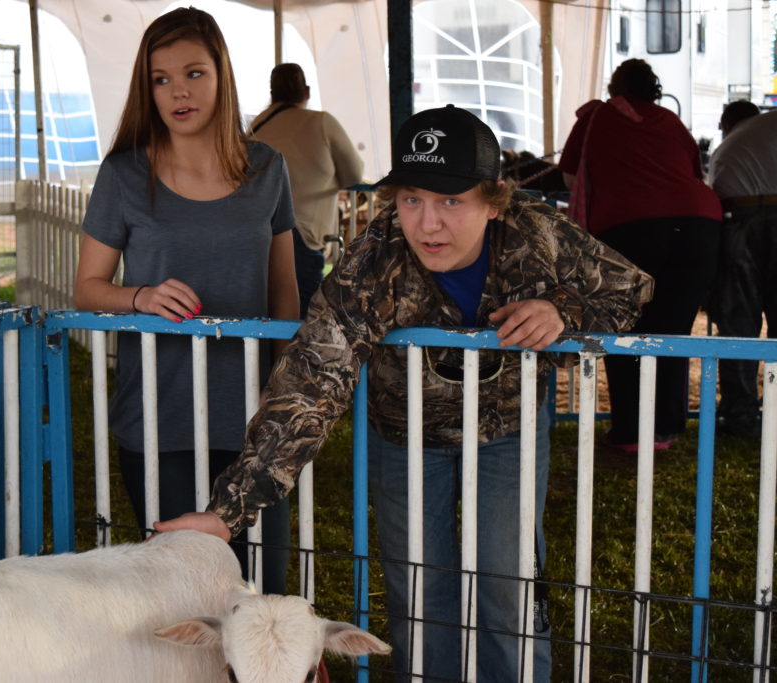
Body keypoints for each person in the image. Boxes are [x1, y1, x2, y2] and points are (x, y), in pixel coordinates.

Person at [156, 105, 654, 681]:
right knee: (421, 590)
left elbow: (629, 288)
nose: (428, 224)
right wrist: (227, 512)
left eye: (451, 201)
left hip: (507, 431)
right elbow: (311, 382)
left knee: (507, 584)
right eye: (412, 198)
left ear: (494, 201)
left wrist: (562, 310)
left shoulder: (536, 232)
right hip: (406, 435)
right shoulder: (375, 259)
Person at [72, 7, 299, 593]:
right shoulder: (124, 175)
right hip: (159, 412)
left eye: (194, 73)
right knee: (179, 596)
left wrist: (288, 391)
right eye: (161, 78)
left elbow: (284, 290)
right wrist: (141, 295)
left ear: (222, 74)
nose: (178, 91)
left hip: (253, 418)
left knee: (260, 591)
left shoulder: (268, 168)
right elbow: (88, 289)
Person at [559, 58, 723, 453]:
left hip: (629, 225)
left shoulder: (595, 117)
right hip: (699, 223)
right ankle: (665, 428)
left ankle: (632, 432)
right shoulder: (669, 120)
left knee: (625, 324)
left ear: (615, 87)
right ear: (654, 88)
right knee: (672, 329)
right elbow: (692, 170)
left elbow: (570, 177)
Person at [706, 100, 777, 438]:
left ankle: (739, 417)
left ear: (726, 125)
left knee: (738, 322)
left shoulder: (723, 148)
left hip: (736, 222)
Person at [250, 63, 364, 317]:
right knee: (301, 318)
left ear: (272, 93)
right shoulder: (321, 122)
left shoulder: (257, 126)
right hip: (304, 236)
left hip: (259, 234)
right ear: (307, 91)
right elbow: (354, 174)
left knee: (266, 315)